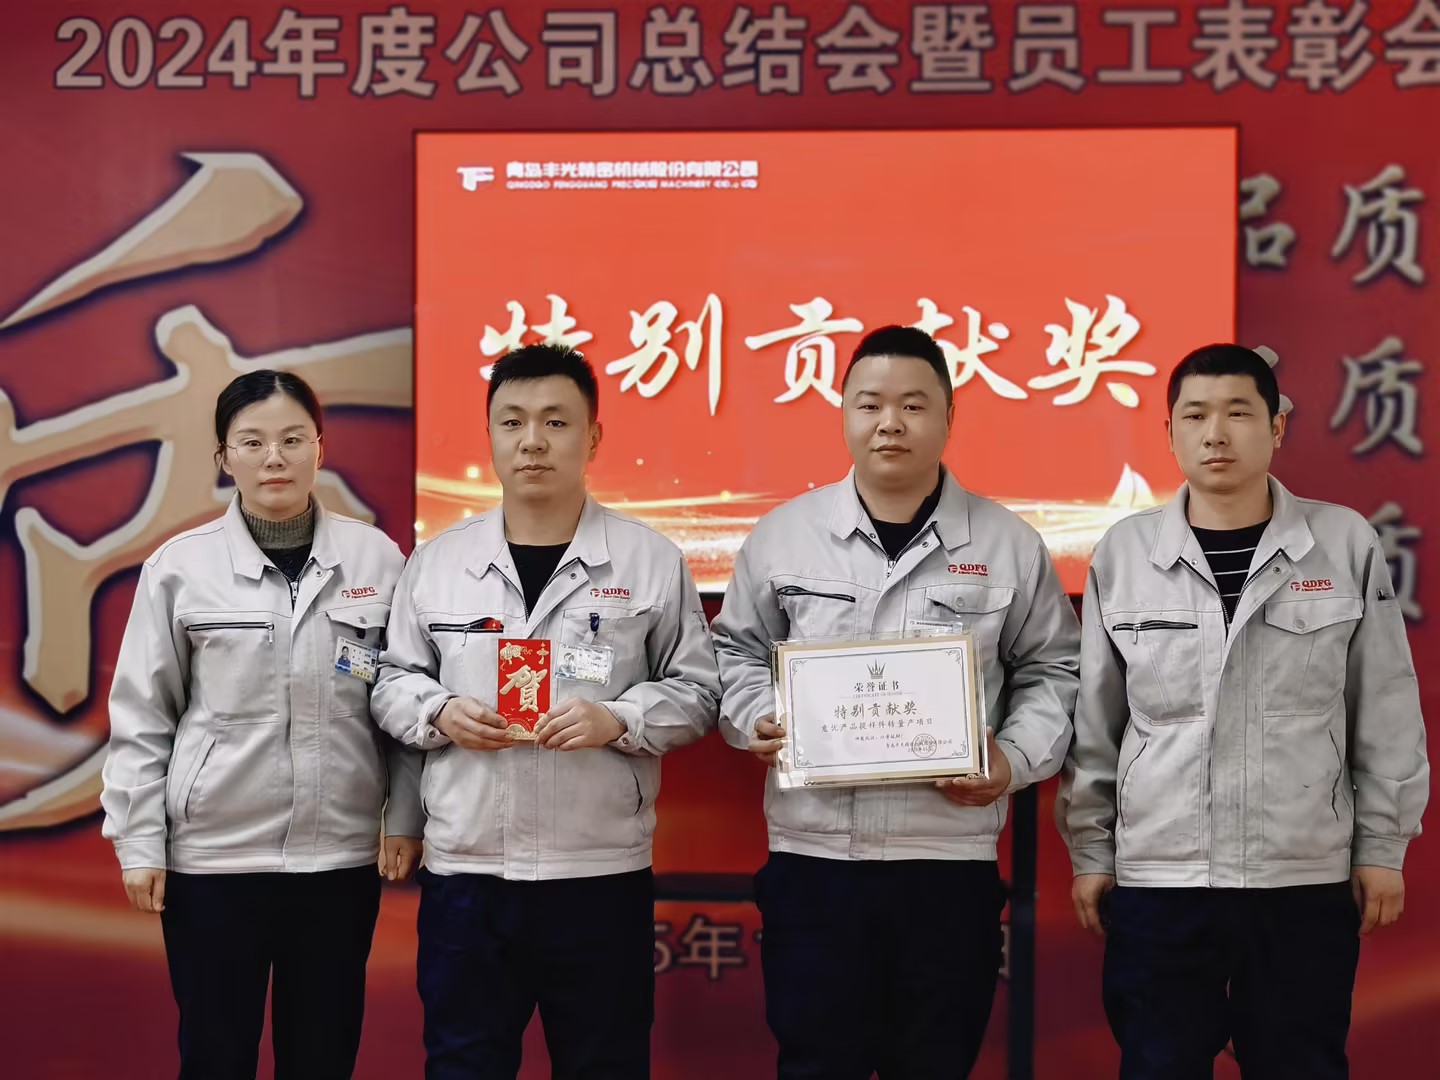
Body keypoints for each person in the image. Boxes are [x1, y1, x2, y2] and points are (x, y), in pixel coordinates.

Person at [710, 325, 1080, 1078]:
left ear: (948, 416)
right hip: (815, 860)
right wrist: (757, 717)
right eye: (870, 404)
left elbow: (1055, 671)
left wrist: (1011, 760)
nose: (890, 423)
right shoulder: (784, 536)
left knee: (936, 1062)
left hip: (945, 860)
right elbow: (734, 652)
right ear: (843, 413)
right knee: (816, 1064)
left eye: (914, 405)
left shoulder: (1007, 544)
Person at [1057, 344, 1430, 1079]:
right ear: (1169, 431)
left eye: (1238, 413)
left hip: (1300, 876)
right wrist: (1092, 850)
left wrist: (1382, 847)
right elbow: (1096, 722)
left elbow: (1385, 705)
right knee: (1158, 1066)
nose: (1216, 434)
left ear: (1277, 426)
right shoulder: (1125, 553)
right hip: (1163, 879)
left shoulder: (1341, 543)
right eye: (1195, 416)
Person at [371, 343, 720, 1080]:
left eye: (556, 422)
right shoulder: (437, 562)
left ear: (593, 437)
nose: (533, 441)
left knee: (605, 1064)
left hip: (598, 873)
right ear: (490, 435)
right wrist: (440, 712)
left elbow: (697, 691)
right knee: (463, 1065)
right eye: (513, 422)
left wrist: (618, 720)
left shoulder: (649, 560)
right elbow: (391, 681)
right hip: (468, 874)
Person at [100, 369, 423, 1080]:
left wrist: (404, 816)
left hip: (337, 861)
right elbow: (143, 714)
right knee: (216, 1056)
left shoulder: (376, 558)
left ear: (320, 447)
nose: (274, 457)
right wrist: (139, 840)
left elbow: (401, 696)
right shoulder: (180, 569)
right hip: (213, 864)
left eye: (292, 439)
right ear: (224, 456)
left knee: (323, 1055)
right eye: (252, 442)